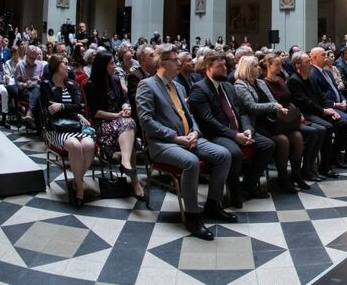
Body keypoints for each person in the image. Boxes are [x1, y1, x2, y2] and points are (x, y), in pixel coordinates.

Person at [136, 44, 237, 240]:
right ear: (163, 62)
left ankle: (213, 204)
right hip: (163, 144)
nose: (179, 63)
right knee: (190, 162)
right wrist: (175, 137)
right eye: (175, 60)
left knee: (224, 155)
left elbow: (190, 115)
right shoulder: (147, 85)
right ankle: (192, 216)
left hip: (188, 138)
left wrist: (196, 133)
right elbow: (146, 121)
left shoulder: (179, 87)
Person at [189, 54, 274, 205]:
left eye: (225, 65)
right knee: (234, 153)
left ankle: (248, 185)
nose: (224, 68)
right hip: (215, 134)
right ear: (208, 68)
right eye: (219, 66)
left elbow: (241, 111)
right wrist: (235, 135)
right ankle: (235, 195)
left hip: (237, 131)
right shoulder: (199, 89)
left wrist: (247, 129)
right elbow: (208, 121)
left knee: (268, 144)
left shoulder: (228, 86)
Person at [233, 54, 305, 193]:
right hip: (255, 124)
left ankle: (296, 175)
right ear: (247, 68)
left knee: (297, 136)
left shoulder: (259, 83)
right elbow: (251, 107)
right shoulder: (240, 85)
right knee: (283, 140)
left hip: (270, 121)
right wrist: (274, 107)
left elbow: (273, 101)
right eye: (255, 66)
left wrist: (280, 108)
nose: (259, 68)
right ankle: (283, 178)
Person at [84, 50, 144, 199]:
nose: (114, 66)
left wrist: (125, 108)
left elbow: (123, 100)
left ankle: (126, 164)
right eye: (111, 63)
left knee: (129, 122)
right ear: (103, 65)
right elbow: (95, 112)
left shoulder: (116, 79)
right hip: (102, 123)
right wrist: (116, 115)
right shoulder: (90, 85)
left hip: (121, 121)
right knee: (130, 129)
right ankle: (134, 178)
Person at [40, 55, 96, 207]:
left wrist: (63, 107)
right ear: (56, 66)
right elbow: (50, 110)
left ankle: (77, 181)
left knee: (89, 145)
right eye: (65, 64)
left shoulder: (72, 85)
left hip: (73, 124)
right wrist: (67, 109)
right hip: (56, 128)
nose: (69, 67)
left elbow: (78, 106)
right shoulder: (46, 85)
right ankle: (79, 189)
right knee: (75, 146)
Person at [264, 52, 326, 183]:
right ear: (268, 66)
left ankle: (307, 168)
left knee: (320, 130)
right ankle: (298, 172)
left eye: (281, 64)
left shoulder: (280, 80)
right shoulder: (264, 83)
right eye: (277, 65)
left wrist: (297, 112)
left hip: (291, 117)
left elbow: (289, 98)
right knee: (313, 132)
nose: (280, 67)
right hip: (280, 119)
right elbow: (272, 104)